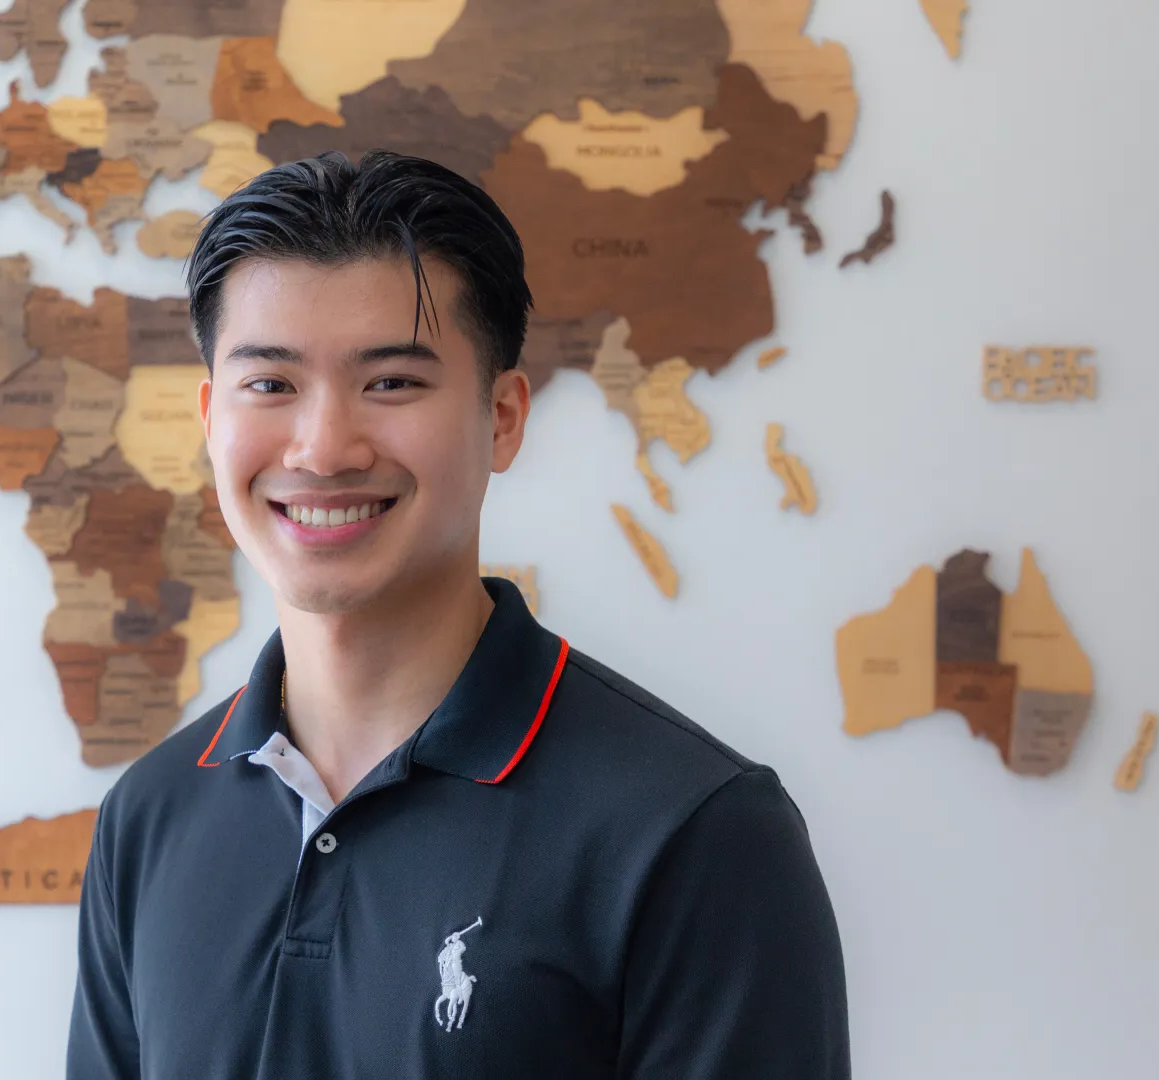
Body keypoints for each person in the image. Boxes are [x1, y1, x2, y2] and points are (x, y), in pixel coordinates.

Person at [66, 150, 850, 1079]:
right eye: (270, 384)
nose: (322, 449)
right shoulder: (149, 818)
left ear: (504, 416)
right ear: (209, 419)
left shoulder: (695, 832)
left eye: (391, 382)